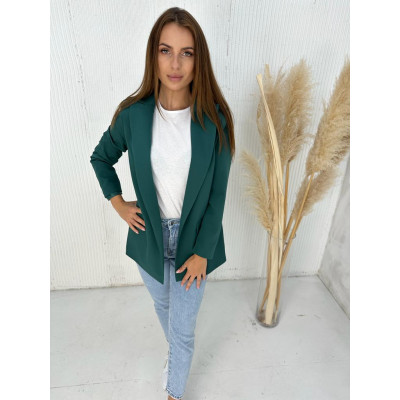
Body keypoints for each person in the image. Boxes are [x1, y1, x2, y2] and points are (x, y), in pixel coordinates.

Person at [90, 7, 235, 400]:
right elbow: (101, 158)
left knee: (183, 331)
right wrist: (119, 203)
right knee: (167, 312)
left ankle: (173, 391)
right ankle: (175, 356)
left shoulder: (215, 120)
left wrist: (203, 253)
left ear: (198, 60)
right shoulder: (133, 116)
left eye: (187, 53)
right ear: (153, 55)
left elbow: (217, 195)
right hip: (149, 240)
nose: (175, 64)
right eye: (165, 50)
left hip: (194, 244)